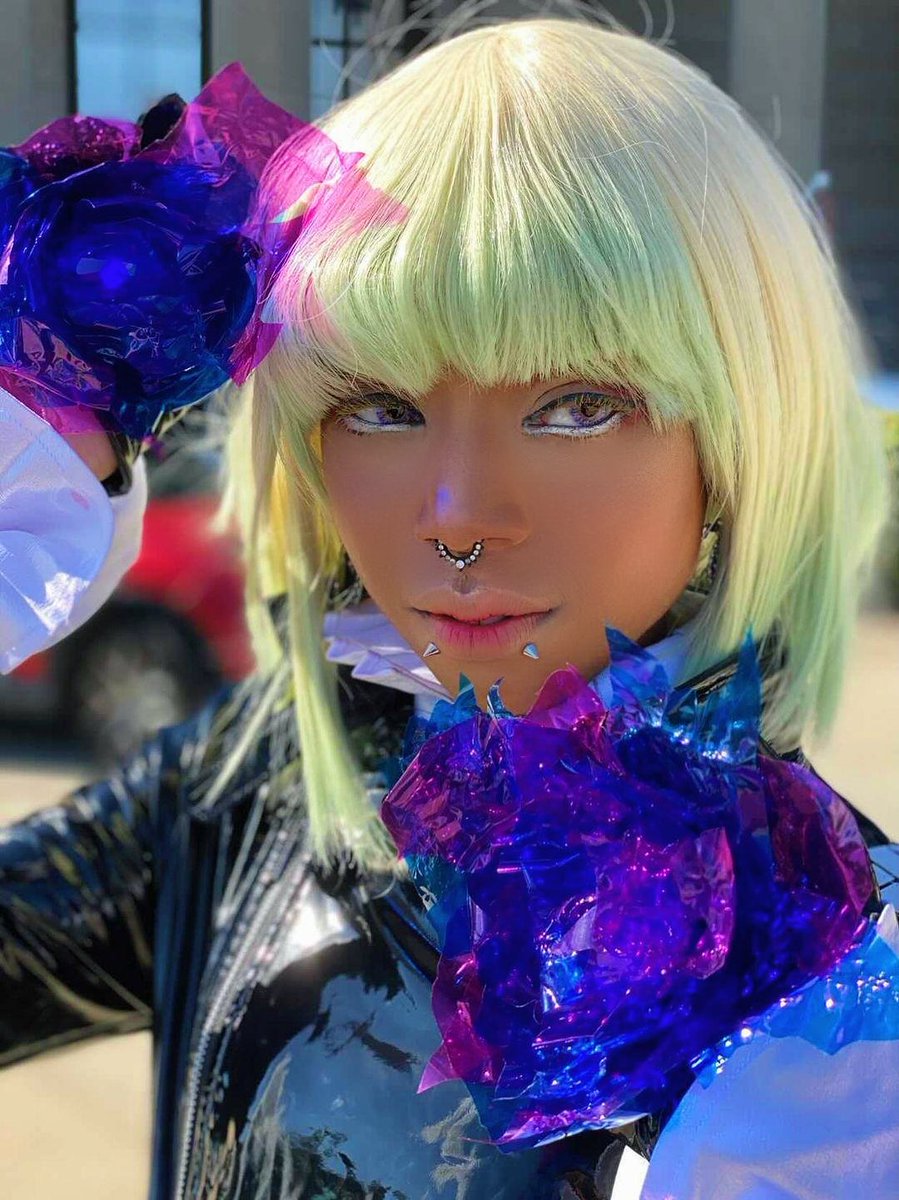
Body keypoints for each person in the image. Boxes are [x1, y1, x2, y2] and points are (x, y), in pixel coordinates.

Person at [1, 14, 898, 1200]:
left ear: (736, 436)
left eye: (576, 407)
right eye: (379, 406)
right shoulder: (264, 774)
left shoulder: (822, 963)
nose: (461, 516)